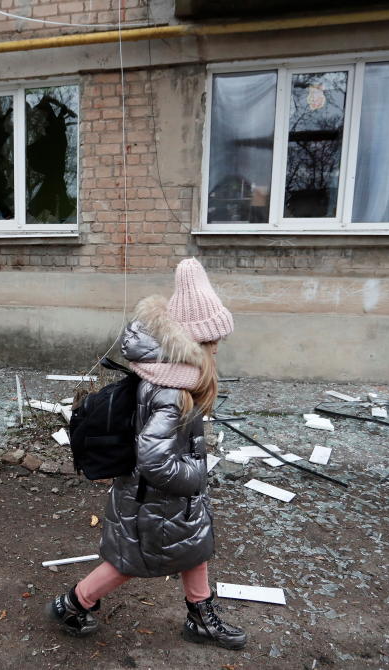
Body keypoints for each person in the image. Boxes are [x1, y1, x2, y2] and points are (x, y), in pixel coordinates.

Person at [47, 258, 246, 650]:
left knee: (194, 548)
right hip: (155, 499)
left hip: (163, 499)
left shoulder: (169, 374)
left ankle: (200, 616)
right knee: (129, 562)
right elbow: (154, 457)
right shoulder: (171, 389)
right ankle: (73, 604)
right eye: (212, 342)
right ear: (194, 342)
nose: (217, 349)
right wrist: (195, 476)